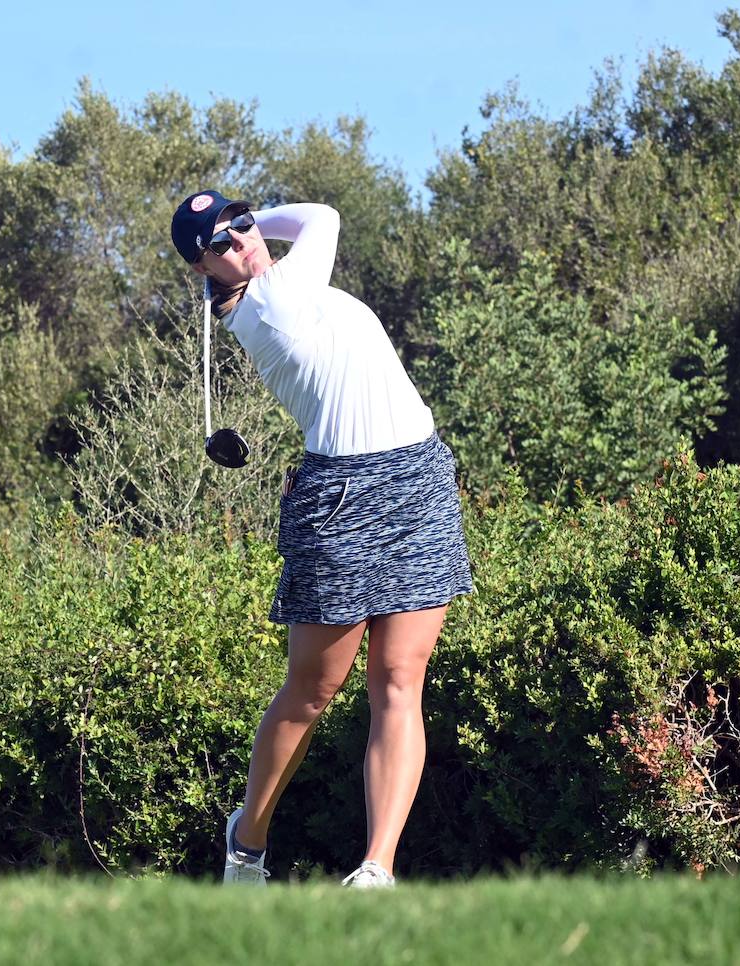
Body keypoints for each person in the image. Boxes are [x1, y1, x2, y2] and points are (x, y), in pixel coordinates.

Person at [170, 192, 474, 888]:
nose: (241, 242)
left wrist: (243, 224)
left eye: (242, 225)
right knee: (313, 688)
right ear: (203, 269)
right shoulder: (270, 302)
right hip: (342, 498)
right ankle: (246, 843)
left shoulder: (287, 286)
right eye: (219, 244)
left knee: (400, 680)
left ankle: (377, 868)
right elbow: (325, 217)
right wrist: (262, 222)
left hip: (418, 478)